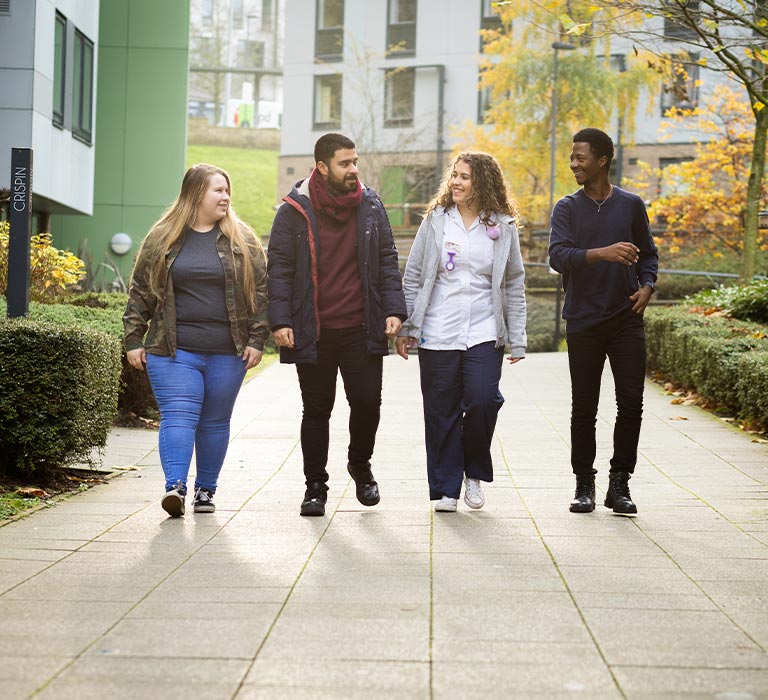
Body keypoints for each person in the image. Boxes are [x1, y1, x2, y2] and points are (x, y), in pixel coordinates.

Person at [267, 133, 407, 517]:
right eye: (345, 163)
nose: (353, 170)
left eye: (356, 162)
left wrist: (394, 309)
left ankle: (360, 464)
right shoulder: (294, 210)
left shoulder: (371, 204)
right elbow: (278, 270)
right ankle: (315, 488)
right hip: (312, 330)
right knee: (317, 409)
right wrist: (279, 320)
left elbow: (387, 259)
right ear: (322, 167)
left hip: (361, 327)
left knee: (367, 403)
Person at [123, 163, 268, 517]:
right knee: (178, 415)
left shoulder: (242, 239)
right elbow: (140, 291)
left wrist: (257, 339)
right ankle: (175, 486)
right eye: (218, 190)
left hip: (228, 351)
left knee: (215, 421)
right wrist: (132, 339)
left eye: (227, 190)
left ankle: (206, 490)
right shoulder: (163, 237)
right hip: (173, 349)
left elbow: (262, 292)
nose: (226, 196)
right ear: (195, 194)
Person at [395, 152, 527, 513]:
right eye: (454, 176)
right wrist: (407, 327)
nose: (455, 182)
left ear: (482, 182)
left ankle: (473, 472)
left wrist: (518, 336)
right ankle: (445, 487)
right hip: (438, 328)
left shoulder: (503, 226)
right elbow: (414, 274)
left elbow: (514, 282)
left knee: (483, 400)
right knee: (441, 409)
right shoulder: (436, 221)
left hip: (485, 328)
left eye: (464, 177)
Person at [548, 128, 659, 515]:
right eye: (572, 157)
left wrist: (647, 285)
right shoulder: (567, 208)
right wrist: (603, 253)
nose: (573, 163)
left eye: (580, 157)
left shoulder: (630, 205)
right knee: (585, 407)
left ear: (602, 160)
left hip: (626, 319)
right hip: (583, 320)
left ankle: (620, 484)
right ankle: (584, 484)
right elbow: (558, 257)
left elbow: (648, 254)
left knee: (631, 403)